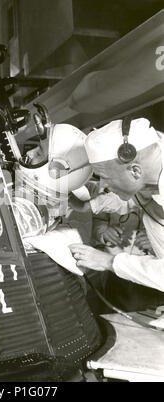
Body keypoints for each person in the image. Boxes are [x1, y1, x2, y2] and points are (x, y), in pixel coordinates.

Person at [69, 118, 164, 294]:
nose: (103, 185)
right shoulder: (146, 179)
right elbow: (112, 202)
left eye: (105, 177)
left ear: (135, 171)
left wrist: (108, 261)